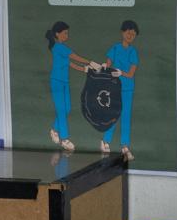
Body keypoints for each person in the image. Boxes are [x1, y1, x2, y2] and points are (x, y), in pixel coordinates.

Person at [45, 21, 99, 152]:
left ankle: (54, 129)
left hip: (64, 81)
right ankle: (65, 139)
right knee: (62, 110)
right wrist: (91, 62)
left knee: (67, 108)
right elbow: (75, 57)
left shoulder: (61, 47)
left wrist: (85, 69)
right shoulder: (59, 47)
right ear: (57, 34)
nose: (66, 35)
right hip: (56, 81)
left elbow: (70, 63)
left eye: (67, 33)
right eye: (65, 33)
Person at [99, 20, 139, 160]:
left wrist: (121, 72)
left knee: (125, 117)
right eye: (128, 33)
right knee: (113, 116)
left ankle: (125, 147)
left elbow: (131, 74)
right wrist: (106, 66)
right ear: (123, 32)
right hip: (114, 87)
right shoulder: (115, 48)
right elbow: (108, 65)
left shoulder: (133, 51)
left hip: (127, 89)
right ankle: (105, 142)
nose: (130, 36)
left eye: (133, 34)